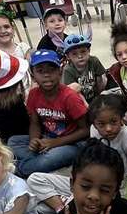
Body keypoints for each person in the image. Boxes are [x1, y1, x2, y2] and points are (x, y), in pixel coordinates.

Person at [29, 92, 127, 212]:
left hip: (106, 190)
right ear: (94, 124)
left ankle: (68, 207)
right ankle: (63, 207)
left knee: (42, 208)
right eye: (101, 124)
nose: (108, 129)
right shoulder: (94, 130)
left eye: (113, 122)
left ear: (121, 119)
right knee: (34, 180)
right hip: (85, 183)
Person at [7, 49, 89, 178]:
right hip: (47, 137)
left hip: (72, 143)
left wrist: (54, 143)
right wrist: (34, 140)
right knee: (13, 141)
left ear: (60, 72)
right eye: (40, 71)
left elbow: (85, 130)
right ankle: (37, 162)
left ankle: (19, 170)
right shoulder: (33, 94)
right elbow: (35, 123)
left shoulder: (70, 97)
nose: (46, 75)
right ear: (33, 75)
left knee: (47, 159)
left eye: (51, 70)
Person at [61, 33, 107, 105]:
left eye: (83, 51)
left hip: (95, 95)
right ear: (68, 56)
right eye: (74, 54)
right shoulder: (68, 70)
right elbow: (75, 92)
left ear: (89, 51)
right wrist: (86, 106)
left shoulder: (94, 61)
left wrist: (99, 97)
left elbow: (100, 81)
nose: (80, 56)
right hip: (79, 100)